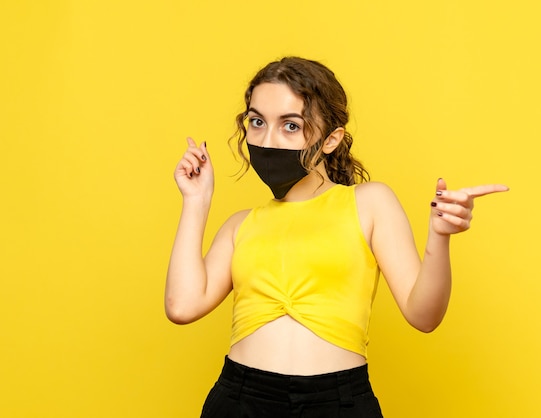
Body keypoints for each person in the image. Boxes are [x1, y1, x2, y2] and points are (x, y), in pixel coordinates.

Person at [166, 56, 508, 417]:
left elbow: (424, 316)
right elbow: (181, 307)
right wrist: (196, 200)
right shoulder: (240, 225)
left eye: (291, 126)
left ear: (331, 139)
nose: (268, 139)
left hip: (337, 403)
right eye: (257, 122)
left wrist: (440, 236)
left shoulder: (369, 203)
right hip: (240, 400)